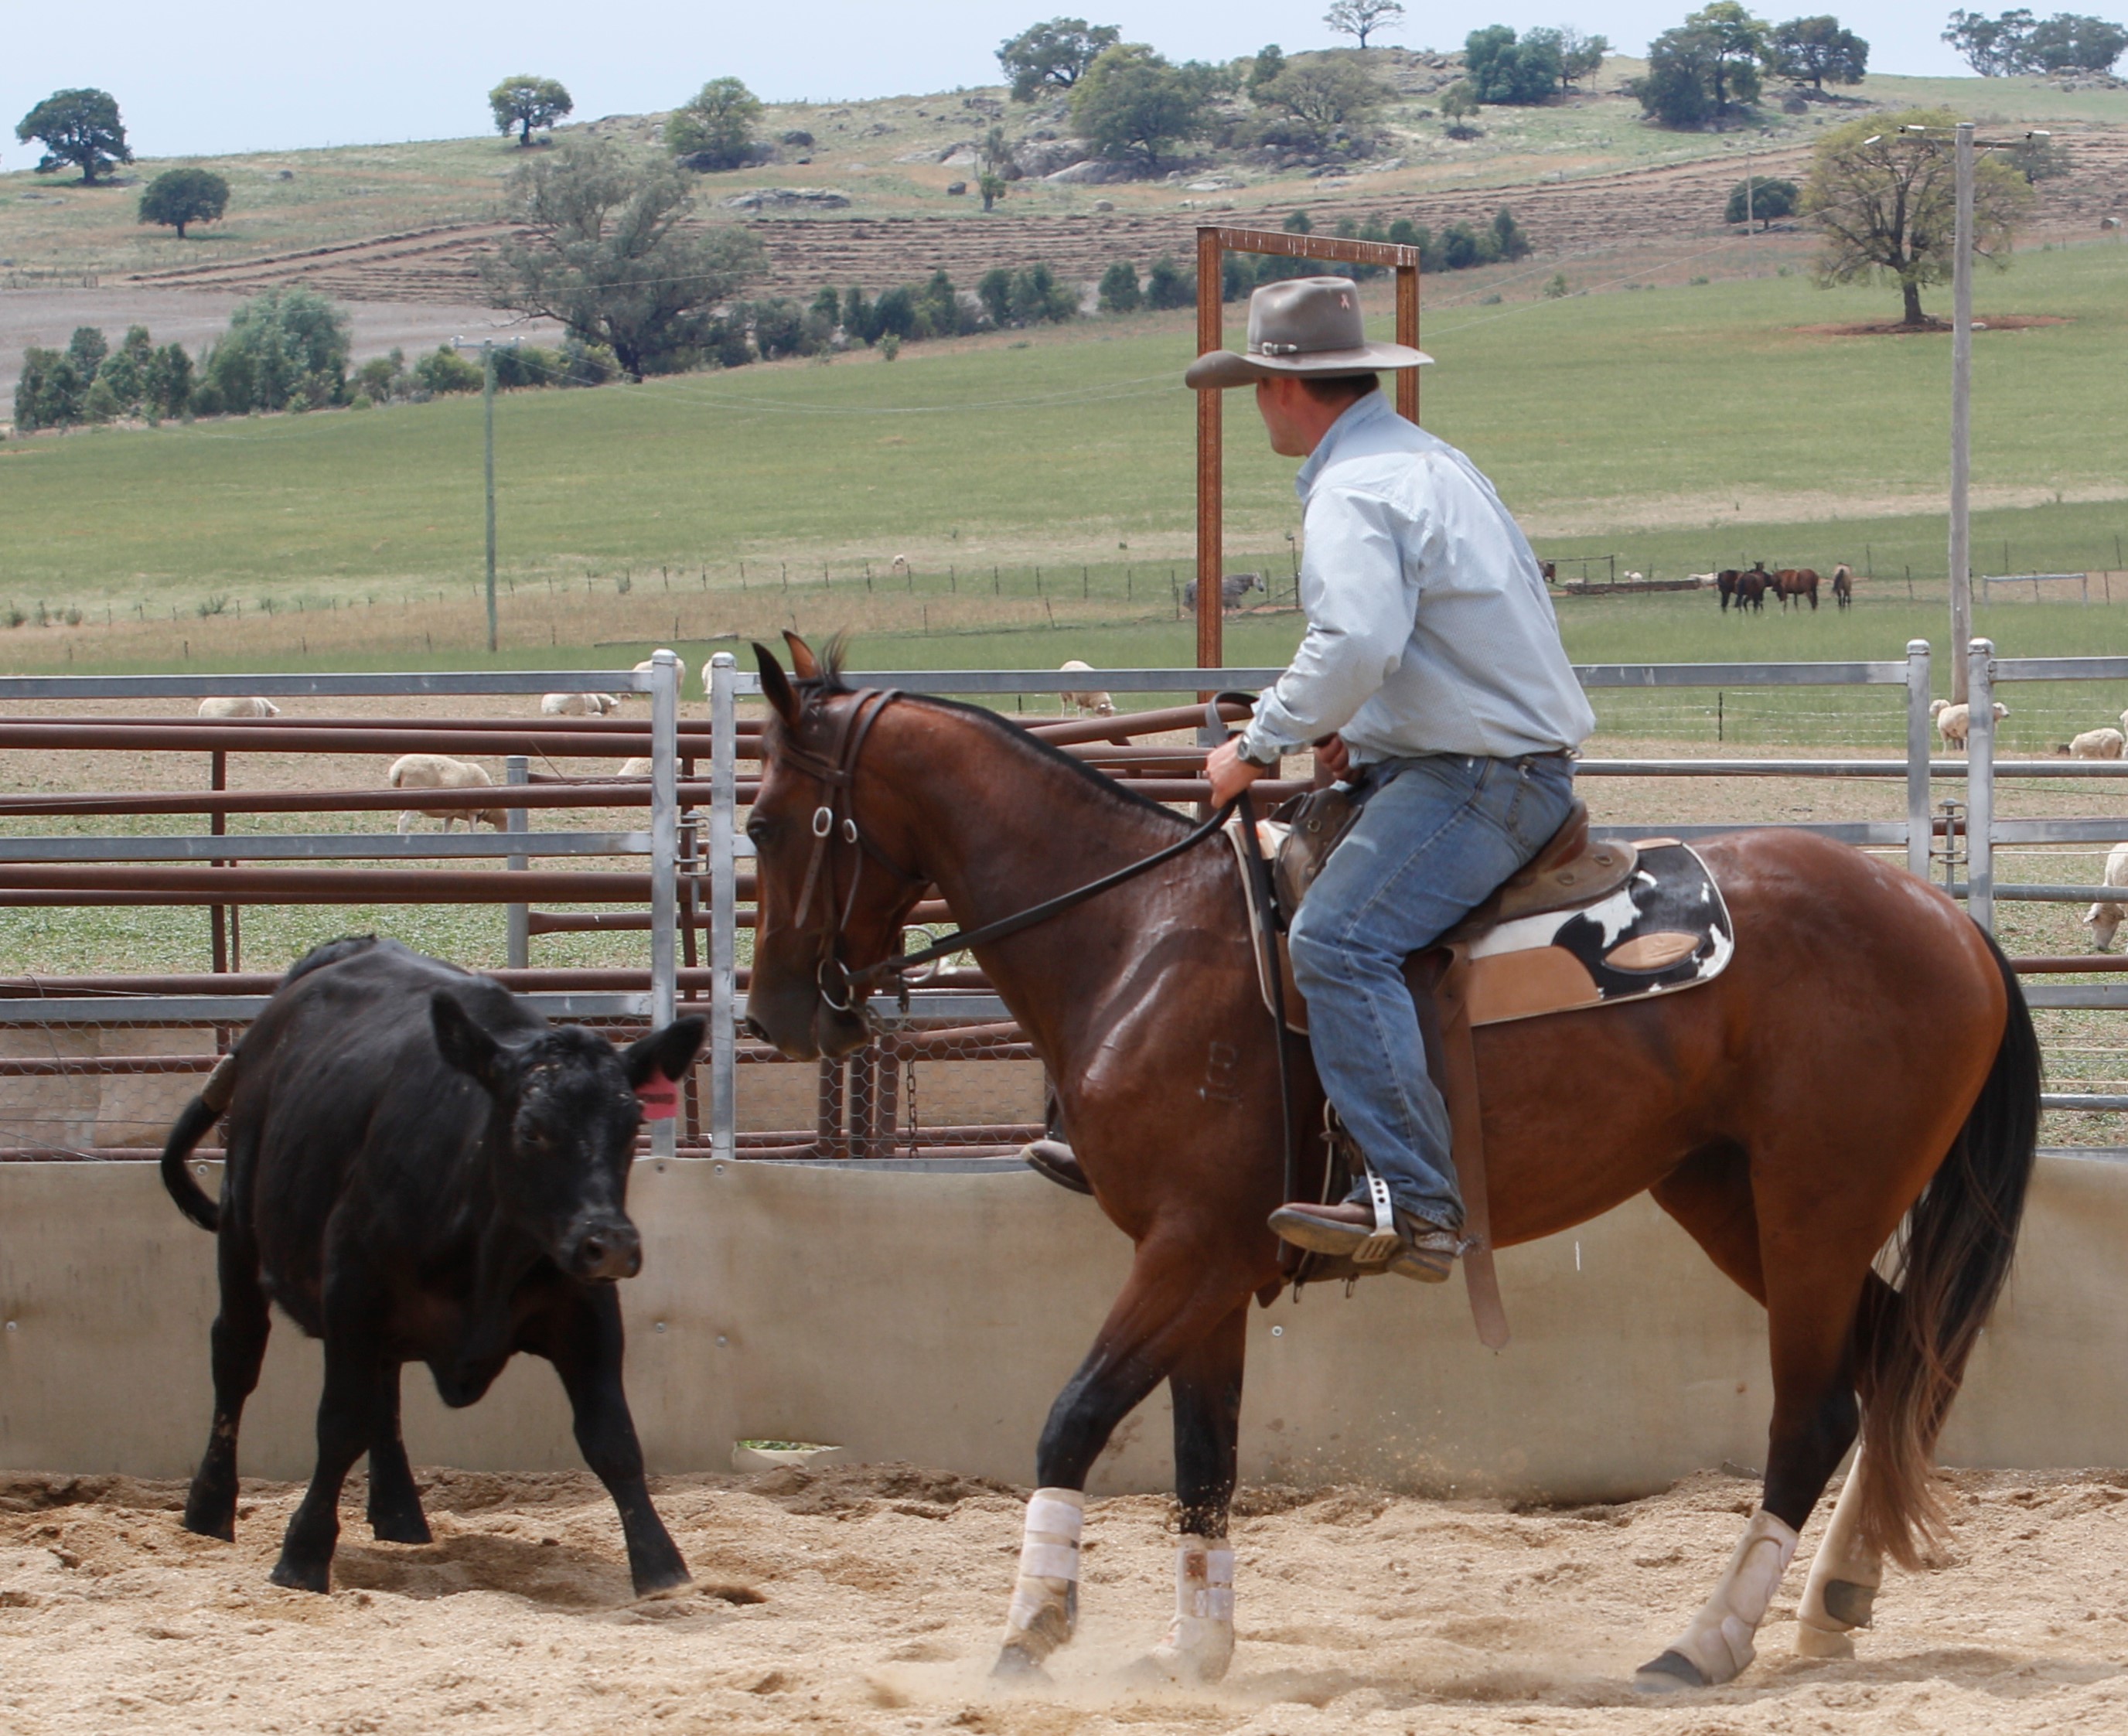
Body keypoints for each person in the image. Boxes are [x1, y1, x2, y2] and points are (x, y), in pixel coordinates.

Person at [1195, 276, 1595, 1282]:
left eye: (1255, 386)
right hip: (1477, 760)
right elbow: (1426, 641)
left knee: (1336, 939)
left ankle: (1417, 1201)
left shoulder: (1355, 489)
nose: (1255, 406)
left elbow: (1357, 640)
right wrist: (1360, 734)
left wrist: (1258, 744)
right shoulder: (1425, 462)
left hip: (1480, 778)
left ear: (1284, 387)